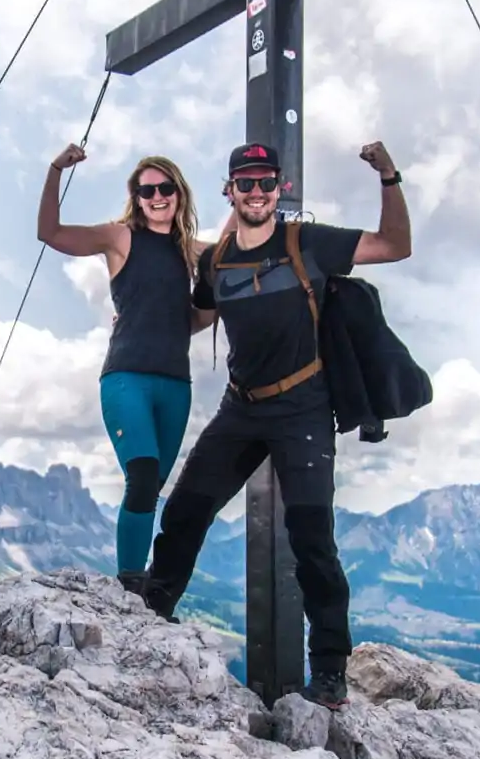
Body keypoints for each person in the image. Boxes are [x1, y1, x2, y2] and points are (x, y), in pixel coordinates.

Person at [143, 139, 412, 709]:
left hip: (303, 406)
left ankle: (331, 670)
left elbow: (394, 246)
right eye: (246, 183)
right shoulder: (216, 261)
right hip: (241, 407)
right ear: (230, 191)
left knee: (313, 538)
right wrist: (139, 325)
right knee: (186, 509)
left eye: (267, 182)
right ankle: (153, 610)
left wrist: (389, 177)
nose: (258, 192)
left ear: (280, 189)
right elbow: (201, 315)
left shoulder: (307, 242)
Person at [38, 145, 216, 595]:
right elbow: (51, 232)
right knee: (140, 476)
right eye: (146, 190)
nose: (157, 196)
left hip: (176, 385)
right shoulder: (119, 238)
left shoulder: (193, 252)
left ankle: (141, 586)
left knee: (151, 488)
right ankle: (130, 587)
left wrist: (213, 303)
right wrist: (56, 169)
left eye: (165, 188)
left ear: (179, 193)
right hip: (126, 379)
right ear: (136, 198)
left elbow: (190, 321)